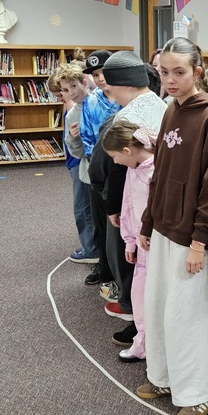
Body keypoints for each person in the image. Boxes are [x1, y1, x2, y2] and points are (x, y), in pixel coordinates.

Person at [135, 38, 208, 415]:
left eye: (179, 72)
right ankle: (163, 377)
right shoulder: (171, 108)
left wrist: (199, 240)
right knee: (160, 309)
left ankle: (196, 393)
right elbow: (160, 170)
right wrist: (147, 221)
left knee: (188, 317)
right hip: (164, 228)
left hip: (192, 237)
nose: (171, 79)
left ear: (198, 71)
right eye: (164, 72)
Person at [96, 52, 168, 326]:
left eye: (111, 90)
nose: (111, 96)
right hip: (164, 200)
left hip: (137, 199)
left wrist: (112, 206)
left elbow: (115, 169)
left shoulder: (126, 115)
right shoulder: (164, 107)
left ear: (123, 85)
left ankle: (137, 315)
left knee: (135, 259)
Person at [102, 120, 157, 363]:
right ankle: (142, 342)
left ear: (126, 151)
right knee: (139, 296)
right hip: (141, 247)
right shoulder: (133, 170)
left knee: (152, 298)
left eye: (114, 156)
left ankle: (152, 345)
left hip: (156, 247)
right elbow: (128, 204)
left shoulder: (156, 170)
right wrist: (129, 241)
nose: (114, 162)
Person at [69, 51, 120, 287]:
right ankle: (104, 267)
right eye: (96, 75)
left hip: (124, 168)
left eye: (104, 73)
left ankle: (121, 271)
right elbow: (88, 138)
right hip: (98, 172)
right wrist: (98, 166)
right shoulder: (91, 102)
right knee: (100, 223)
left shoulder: (125, 98)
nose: (100, 79)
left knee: (120, 224)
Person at [50, 61, 98, 265]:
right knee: (84, 209)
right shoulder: (72, 114)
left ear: (84, 82)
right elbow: (76, 151)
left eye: (73, 86)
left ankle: (97, 251)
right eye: (64, 90)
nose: (70, 93)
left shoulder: (101, 102)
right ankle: (94, 250)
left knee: (103, 214)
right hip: (87, 169)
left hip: (109, 168)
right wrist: (73, 137)